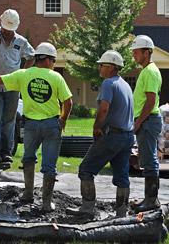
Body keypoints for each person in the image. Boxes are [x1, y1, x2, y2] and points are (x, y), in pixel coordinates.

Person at [0, 42, 72, 212]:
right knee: (49, 165)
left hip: (31, 126)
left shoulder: (24, 75)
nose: (54, 65)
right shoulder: (56, 77)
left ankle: (28, 194)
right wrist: (63, 119)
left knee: (28, 158)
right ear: (48, 60)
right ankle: (46, 203)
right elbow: (68, 101)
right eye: (54, 61)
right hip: (51, 125)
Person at [67, 50, 134, 218]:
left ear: (111, 67)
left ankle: (87, 208)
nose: (99, 68)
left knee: (86, 169)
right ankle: (121, 213)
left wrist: (96, 127)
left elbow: (104, 108)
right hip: (127, 136)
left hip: (112, 136)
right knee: (122, 175)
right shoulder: (125, 85)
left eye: (102, 65)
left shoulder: (108, 84)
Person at [0, 9, 35, 164]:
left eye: (11, 31)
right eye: (6, 30)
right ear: (1, 25)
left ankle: (6, 153)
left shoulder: (21, 41)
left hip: (13, 88)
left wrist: (24, 73)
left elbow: (31, 56)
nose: (8, 33)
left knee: (9, 120)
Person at [131, 35, 162, 212]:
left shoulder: (150, 71)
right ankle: (150, 199)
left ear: (147, 52)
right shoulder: (148, 70)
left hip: (148, 121)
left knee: (150, 161)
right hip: (148, 121)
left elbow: (151, 100)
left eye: (137, 51)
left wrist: (139, 122)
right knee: (148, 160)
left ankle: (151, 201)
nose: (134, 55)